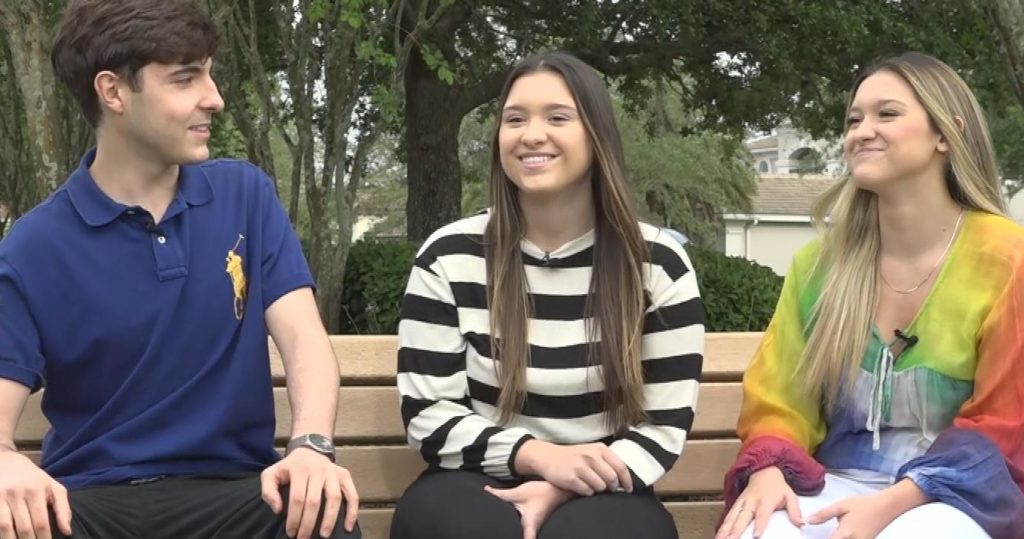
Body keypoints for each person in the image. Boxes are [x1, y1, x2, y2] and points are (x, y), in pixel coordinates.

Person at [0, 1, 360, 538]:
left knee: (322, 515)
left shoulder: (246, 197)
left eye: (209, 74)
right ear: (113, 92)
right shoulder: (32, 245)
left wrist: (310, 445)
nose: (214, 99)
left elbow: (306, 340)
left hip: (239, 494)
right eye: (185, 79)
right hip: (91, 506)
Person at [389, 51, 705, 539]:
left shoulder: (657, 263)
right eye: (515, 119)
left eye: (557, 117)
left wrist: (566, 482)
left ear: (597, 135)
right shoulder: (449, 256)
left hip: (609, 486)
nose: (531, 135)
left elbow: (663, 428)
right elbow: (429, 415)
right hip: (474, 479)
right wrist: (539, 457)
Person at [716, 52, 1024, 539]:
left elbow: (1006, 424)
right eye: (854, 119)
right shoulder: (819, 266)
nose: (861, 131)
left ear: (947, 133)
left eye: (887, 114)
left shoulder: (1009, 261)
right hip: (832, 481)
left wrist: (890, 506)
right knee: (763, 530)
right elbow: (780, 402)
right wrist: (769, 469)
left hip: (956, 497)